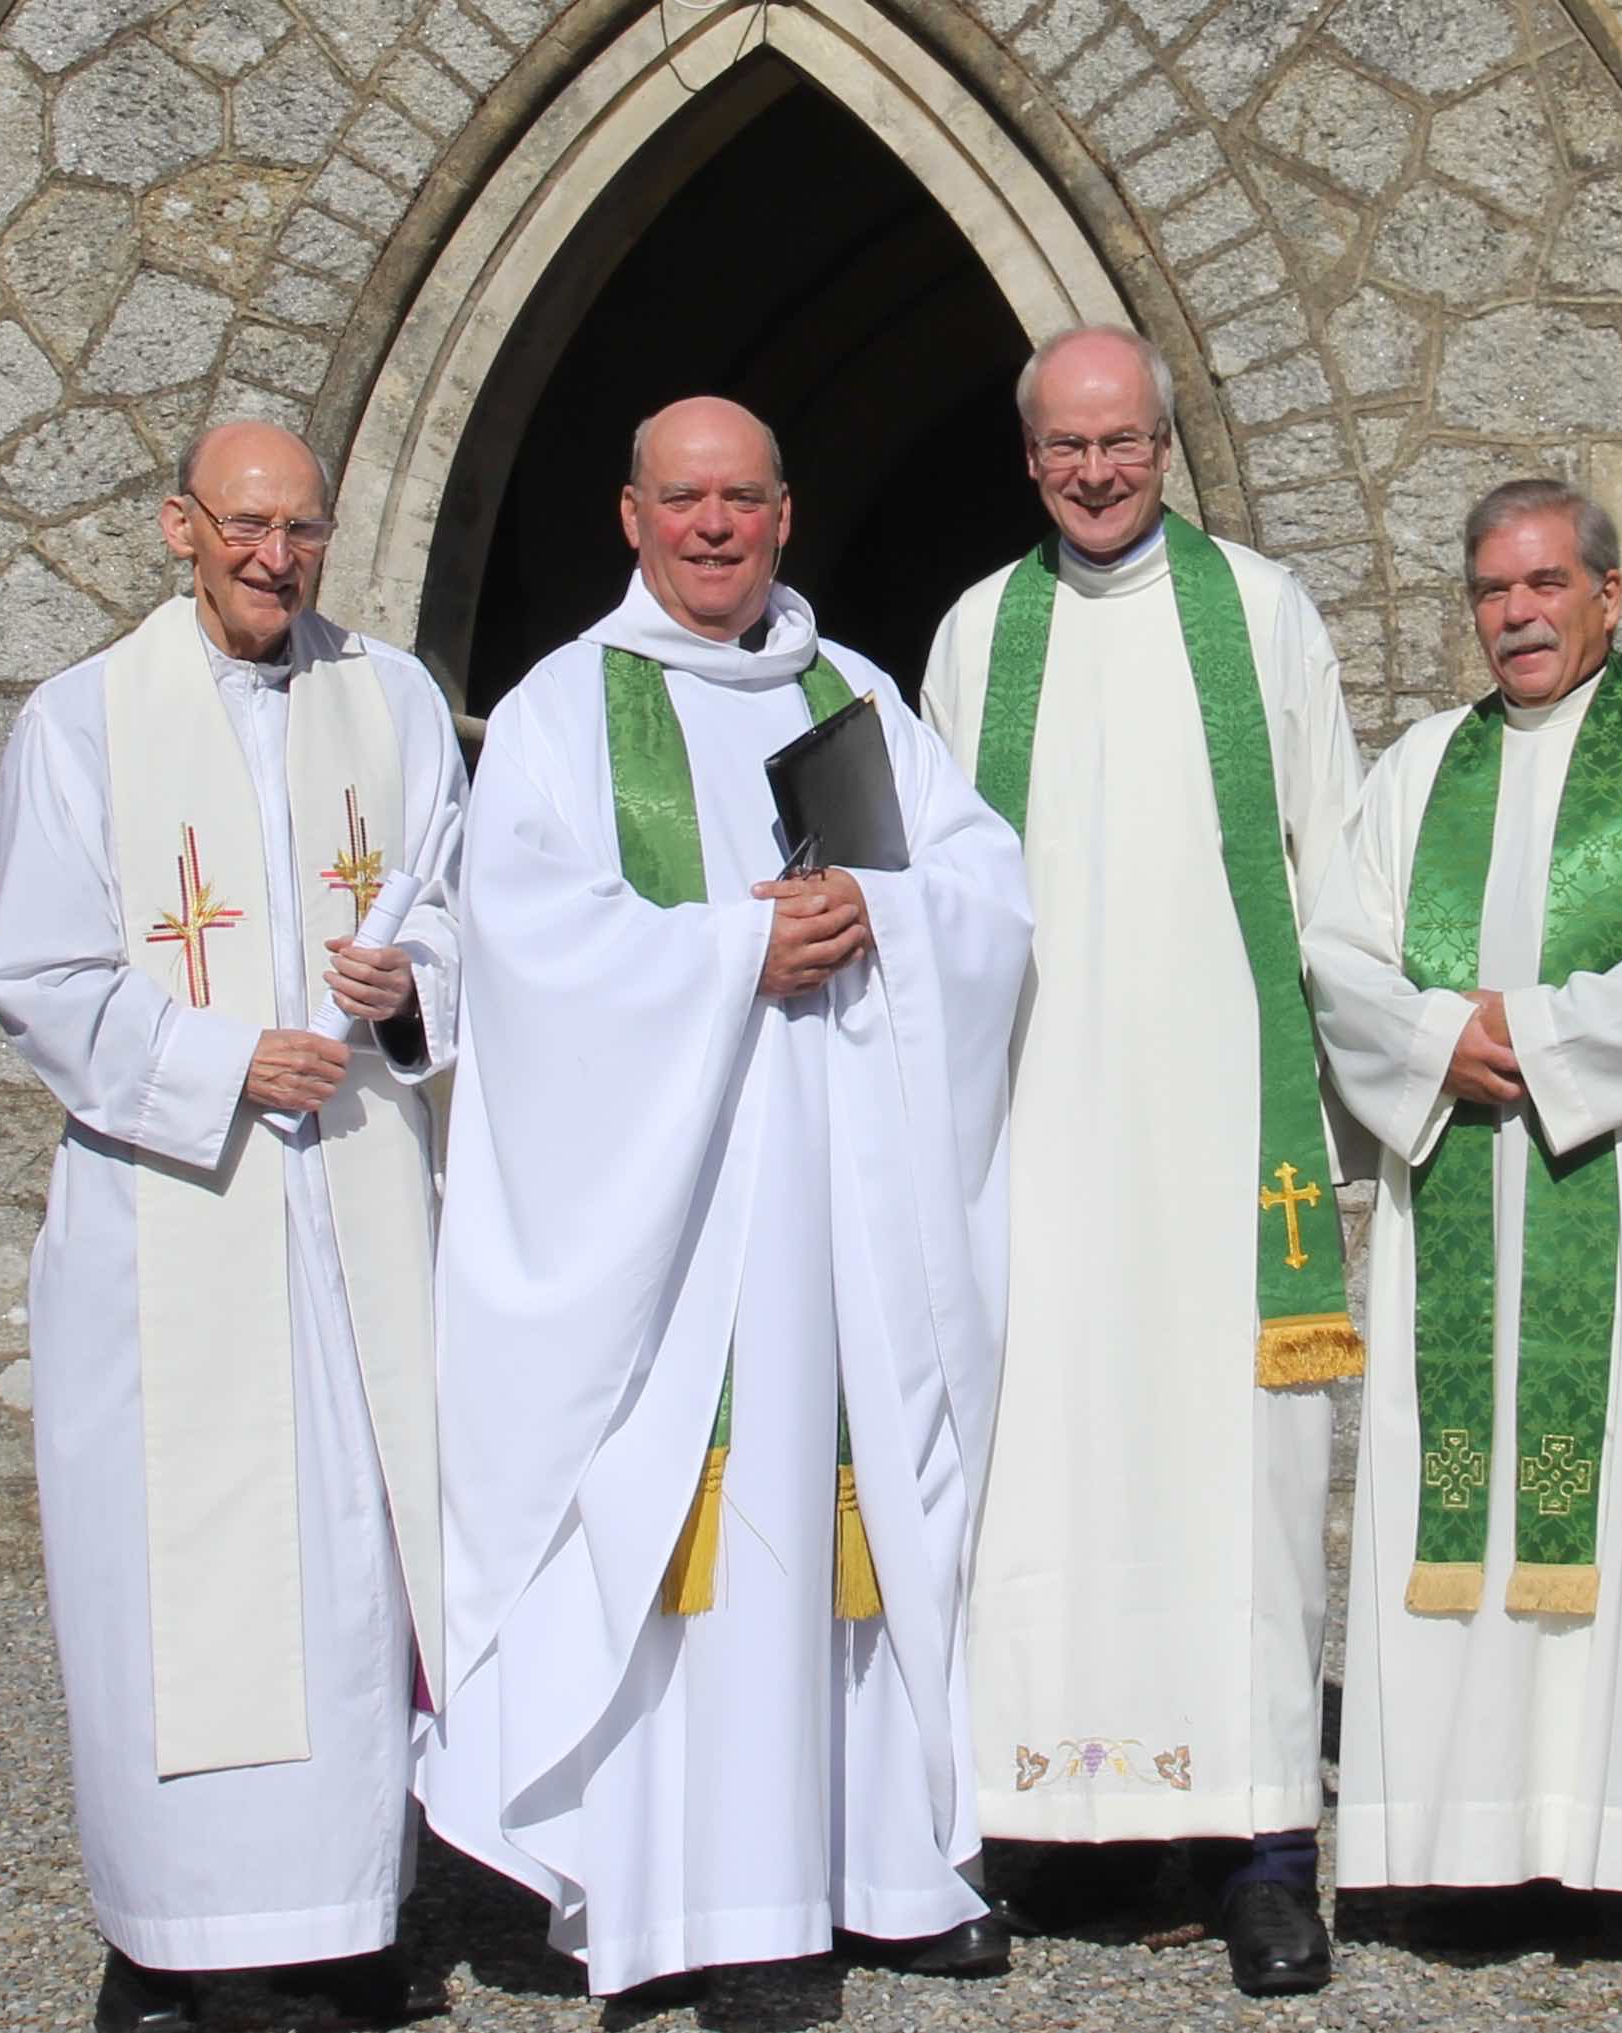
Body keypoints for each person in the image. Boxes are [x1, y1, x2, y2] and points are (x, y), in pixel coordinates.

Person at [414, 397, 1032, 2001]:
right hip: (670, 1223)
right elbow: (526, 942)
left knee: (861, 1513)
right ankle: (708, 1906)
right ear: (632, 516)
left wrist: (878, 909)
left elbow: (986, 899)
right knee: (705, 1535)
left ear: (784, 514)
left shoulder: (859, 696)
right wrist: (731, 950)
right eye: (683, 501)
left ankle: (885, 1864)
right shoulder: (562, 710)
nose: (712, 528)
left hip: (841, 1202)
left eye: (741, 502)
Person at [0, 421, 465, 2033]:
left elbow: (463, 912)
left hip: (359, 1204)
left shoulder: (389, 702)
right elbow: (44, 980)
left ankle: (342, 1927)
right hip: (176, 1207)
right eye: (246, 526)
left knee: (351, 1575)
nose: (277, 556)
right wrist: (219, 1059)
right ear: (181, 529)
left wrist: (412, 995)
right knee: (179, 1581)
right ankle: (177, 1941)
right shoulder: (81, 724)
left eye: (304, 528)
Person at [921, 326, 1364, 1996]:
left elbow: (1334, 867)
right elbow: (941, 892)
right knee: (1036, 1467)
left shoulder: (1264, 614)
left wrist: (1353, 1108)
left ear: (1166, 447)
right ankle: (1025, 1816)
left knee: (1233, 1481)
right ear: (1027, 455)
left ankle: (1257, 1844)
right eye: (1062, 449)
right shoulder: (980, 631)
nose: (1094, 473)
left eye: (1120, 443)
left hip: (1222, 1135)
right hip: (1036, 1136)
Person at [1302, 478, 1622, 1995]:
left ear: (1609, 598)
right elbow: (1338, 947)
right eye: (1493, 590)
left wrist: (1547, 1040)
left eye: (1547, 585)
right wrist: (1438, 1037)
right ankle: (1456, 1843)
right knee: (1464, 1512)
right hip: (1464, 1197)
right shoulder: (1421, 765)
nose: (1518, 614)